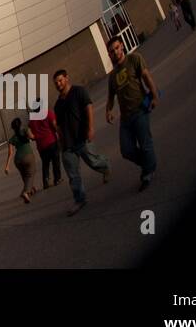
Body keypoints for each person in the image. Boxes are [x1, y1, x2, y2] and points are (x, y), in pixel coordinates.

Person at [53, 69, 111, 216]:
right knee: (73, 175)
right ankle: (79, 199)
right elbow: (58, 126)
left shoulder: (79, 91)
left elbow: (88, 108)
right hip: (67, 145)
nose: (58, 84)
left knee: (93, 162)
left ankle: (105, 166)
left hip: (82, 138)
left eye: (60, 80)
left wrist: (90, 128)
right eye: (56, 83)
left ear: (67, 78)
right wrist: (61, 144)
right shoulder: (58, 104)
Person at [105, 37, 160, 191]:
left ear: (122, 46)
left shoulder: (135, 59)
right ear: (109, 55)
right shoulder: (112, 76)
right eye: (111, 51)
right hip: (125, 118)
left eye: (116, 48)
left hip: (140, 110)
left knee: (145, 144)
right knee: (126, 150)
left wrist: (154, 96)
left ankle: (147, 172)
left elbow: (147, 77)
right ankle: (149, 164)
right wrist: (108, 110)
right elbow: (110, 97)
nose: (115, 52)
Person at [28, 100, 62, 189]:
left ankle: (46, 182)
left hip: (41, 146)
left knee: (45, 164)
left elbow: (29, 131)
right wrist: (60, 136)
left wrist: (33, 137)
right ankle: (57, 178)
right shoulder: (48, 113)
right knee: (55, 161)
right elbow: (55, 125)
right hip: (51, 142)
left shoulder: (32, 119)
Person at [4, 117, 38, 203]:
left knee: (25, 176)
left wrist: (7, 166)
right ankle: (26, 192)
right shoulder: (25, 130)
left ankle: (31, 188)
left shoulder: (12, 139)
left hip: (18, 160)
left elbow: (10, 153)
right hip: (28, 155)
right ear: (20, 124)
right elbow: (33, 137)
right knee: (31, 173)